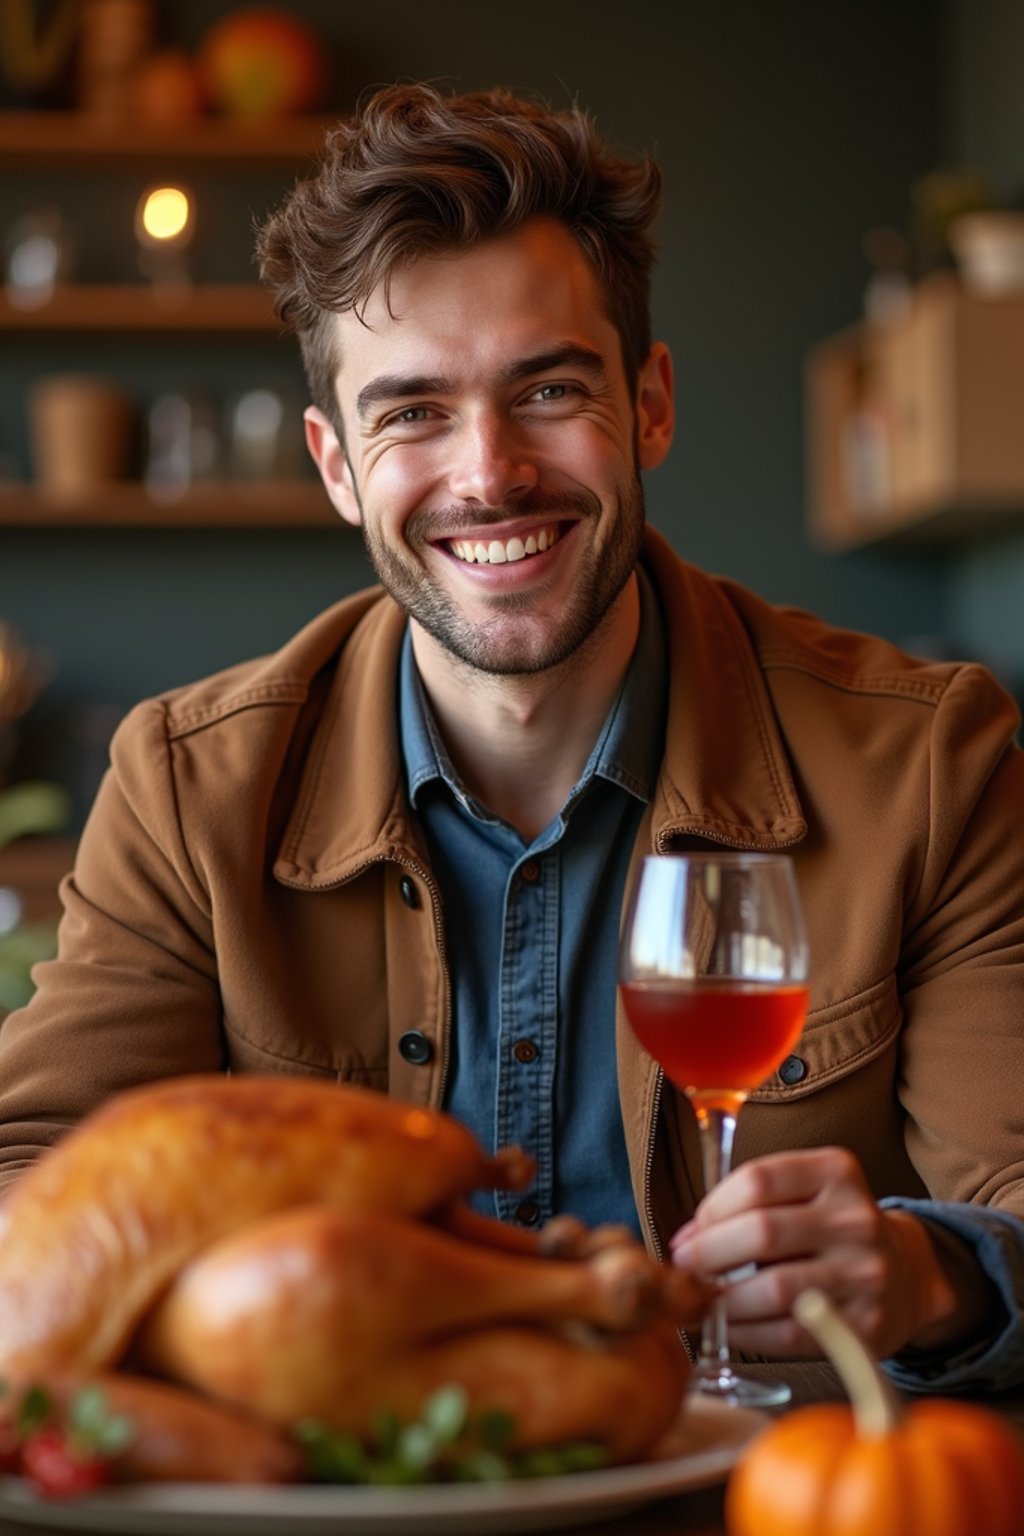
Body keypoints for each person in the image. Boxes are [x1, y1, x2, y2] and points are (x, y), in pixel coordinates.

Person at [1, 83, 1022, 1393]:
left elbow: (1016, 1202)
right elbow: (34, 1178)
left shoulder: (932, 764)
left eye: (546, 389)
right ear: (336, 465)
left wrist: (932, 1273)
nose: (489, 472)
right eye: (412, 411)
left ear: (648, 406)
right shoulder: (186, 784)